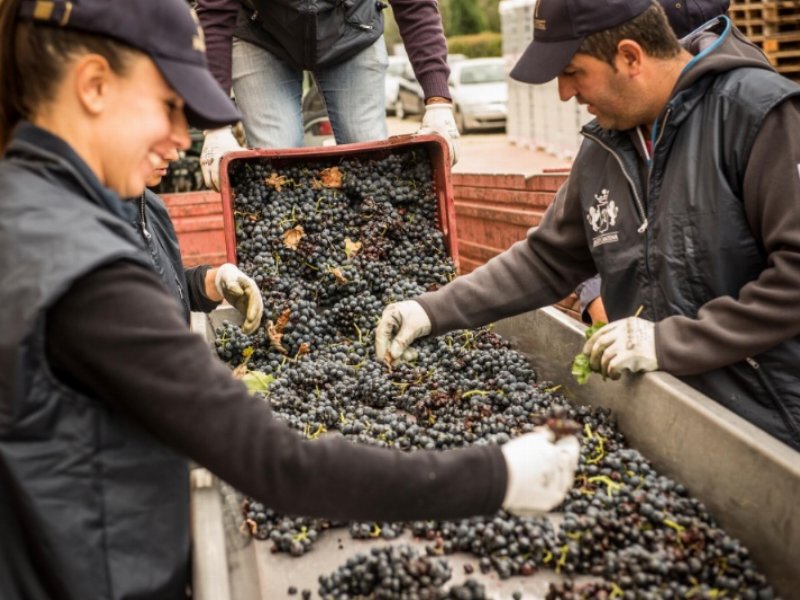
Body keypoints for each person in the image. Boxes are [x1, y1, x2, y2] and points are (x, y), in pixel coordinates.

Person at [0, 1, 580, 598]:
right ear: (94, 86)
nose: (181, 138)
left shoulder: (36, 211)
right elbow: (276, 463)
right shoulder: (86, 269)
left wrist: (205, 283)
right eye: (172, 107)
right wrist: (498, 473)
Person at [374, 0, 800, 453]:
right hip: (664, 422)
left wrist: (671, 342)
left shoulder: (756, 114)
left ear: (630, 57)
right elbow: (544, 261)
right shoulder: (605, 147)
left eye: (573, 72)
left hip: (770, 429)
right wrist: (430, 310)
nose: (563, 93)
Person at [195, 0, 461, 190]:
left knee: (370, 164)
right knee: (275, 168)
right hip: (260, 31)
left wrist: (438, 101)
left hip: (354, 27)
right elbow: (215, 12)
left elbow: (415, 5)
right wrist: (215, 124)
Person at [137, 148, 264, 331]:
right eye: (155, 139)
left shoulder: (150, 205)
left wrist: (217, 280)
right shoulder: (94, 227)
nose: (172, 154)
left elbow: (167, 289)